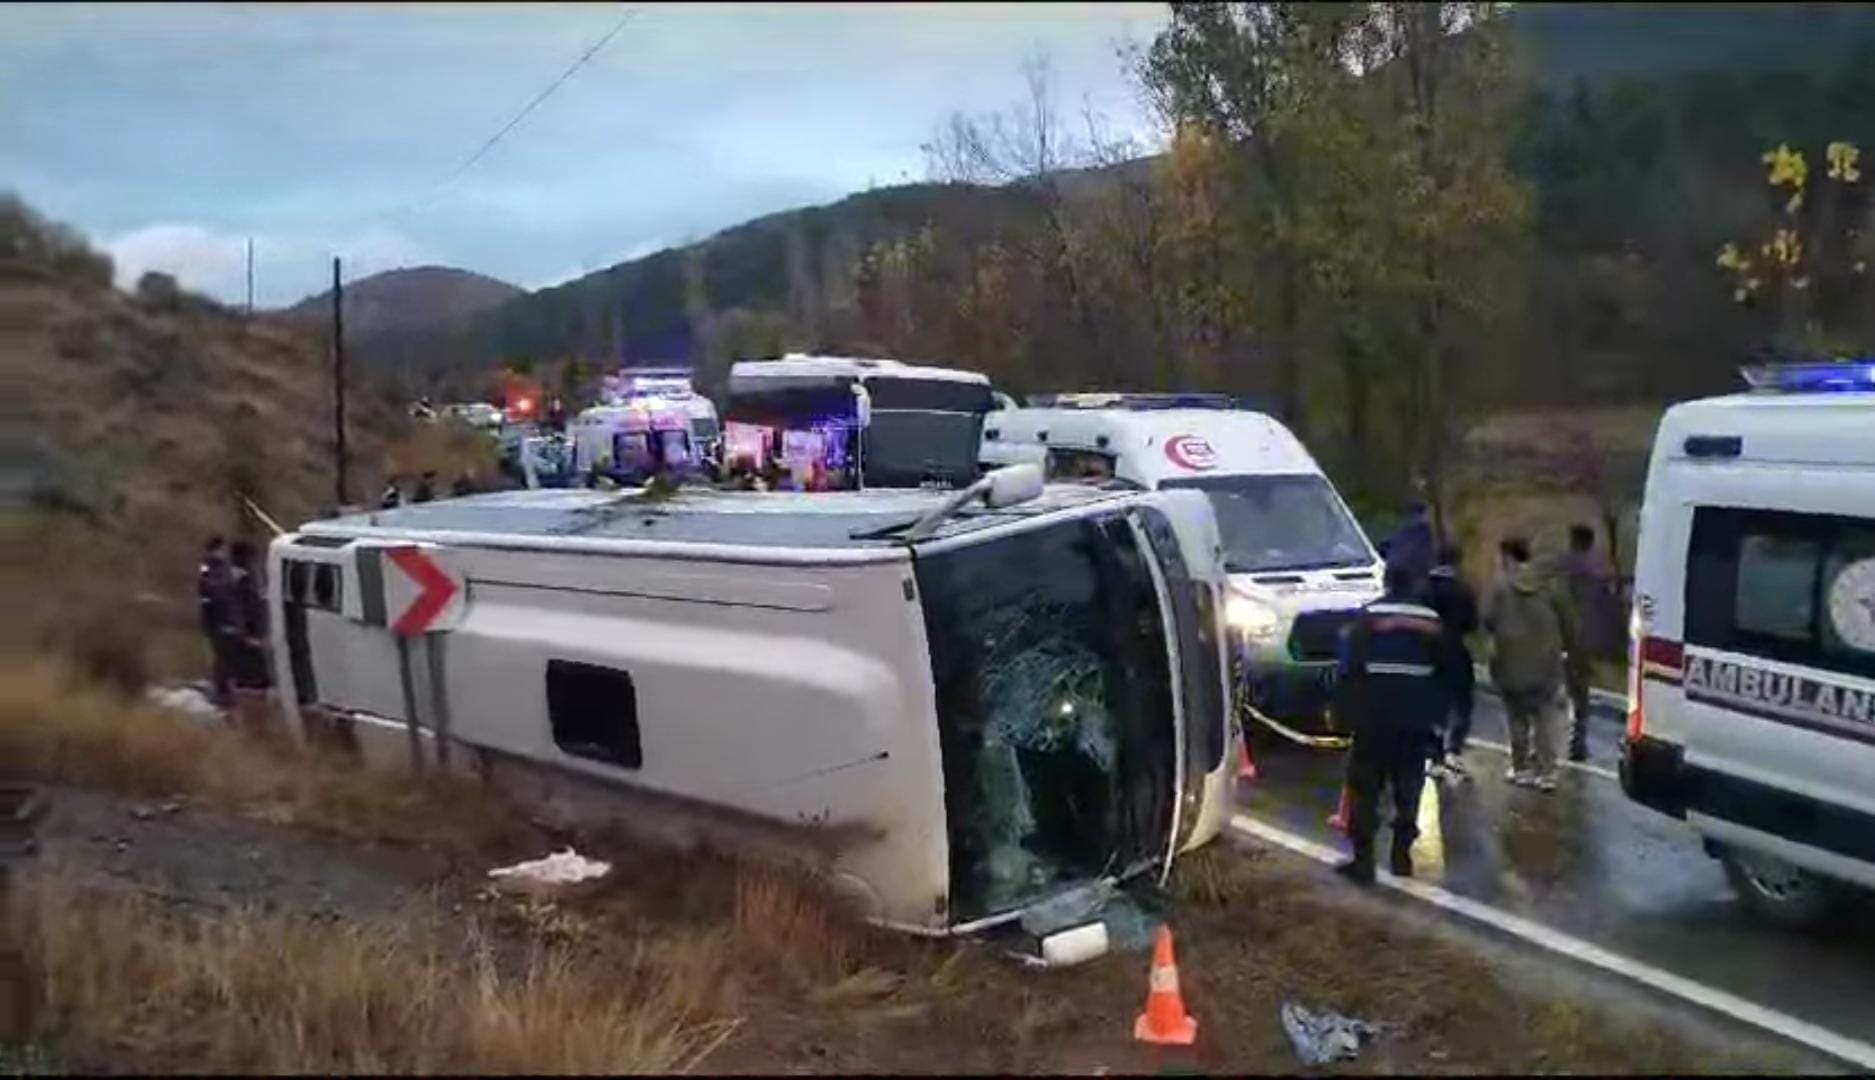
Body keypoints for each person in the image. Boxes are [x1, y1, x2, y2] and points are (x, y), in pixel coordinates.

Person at [1332, 560, 1453, 884]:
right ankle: (1401, 854)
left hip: (1374, 716)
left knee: (1366, 787)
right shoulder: (1431, 621)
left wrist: (1344, 711)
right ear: (1414, 584)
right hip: (1416, 718)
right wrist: (1439, 716)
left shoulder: (1368, 617)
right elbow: (1447, 671)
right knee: (1409, 785)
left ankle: (1364, 862)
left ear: (1386, 582)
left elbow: (1349, 668)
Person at [1482, 537, 1572, 791]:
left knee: (1516, 717)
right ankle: (1547, 772)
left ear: (1508, 557)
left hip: (1510, 662)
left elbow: (1487, 620)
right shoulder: (1549, 585)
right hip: (1546, 662)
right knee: (1545, 718)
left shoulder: (1500, 587)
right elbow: (1568, 622)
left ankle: (1521, 767)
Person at [1557, 523, 1614, 762]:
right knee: (1580, 694)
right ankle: (1576, 743)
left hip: (1560, 636)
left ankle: (1539, 743)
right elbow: (1604, 608)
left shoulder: (1561, 568)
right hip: (1584, 639)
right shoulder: (1597, 572)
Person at [1426, 543, 1479, 779]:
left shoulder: (1423, 589)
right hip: (1455, 651)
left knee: (1433, 705)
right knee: (1462, 701)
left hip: (1427, 652)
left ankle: (1434, 754)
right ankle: (1454, 749)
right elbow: (1472, 625)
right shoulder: (1463, 590)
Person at [224, 540, 273, 736]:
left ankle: (249, 726)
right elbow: (241, 613)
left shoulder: (231, 580)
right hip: (248, 647)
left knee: (247, 686)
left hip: (238, 647)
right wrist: (253, 638)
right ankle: (253, 730)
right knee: (254, 688)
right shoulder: (243, 584)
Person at [196, 536, 233, 706]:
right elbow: (211, 593)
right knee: (222, 655)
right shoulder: (211, 568)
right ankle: (221, 691)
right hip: (218, 620)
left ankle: (222, 688)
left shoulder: (212, 567)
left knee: (222, 655)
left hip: (216, 619)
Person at [1380, 501, 1436, 597]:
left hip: (1396, 577)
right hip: (1414, 579)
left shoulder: (1400, 532)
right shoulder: (1428, 534)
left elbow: (1384, 548)